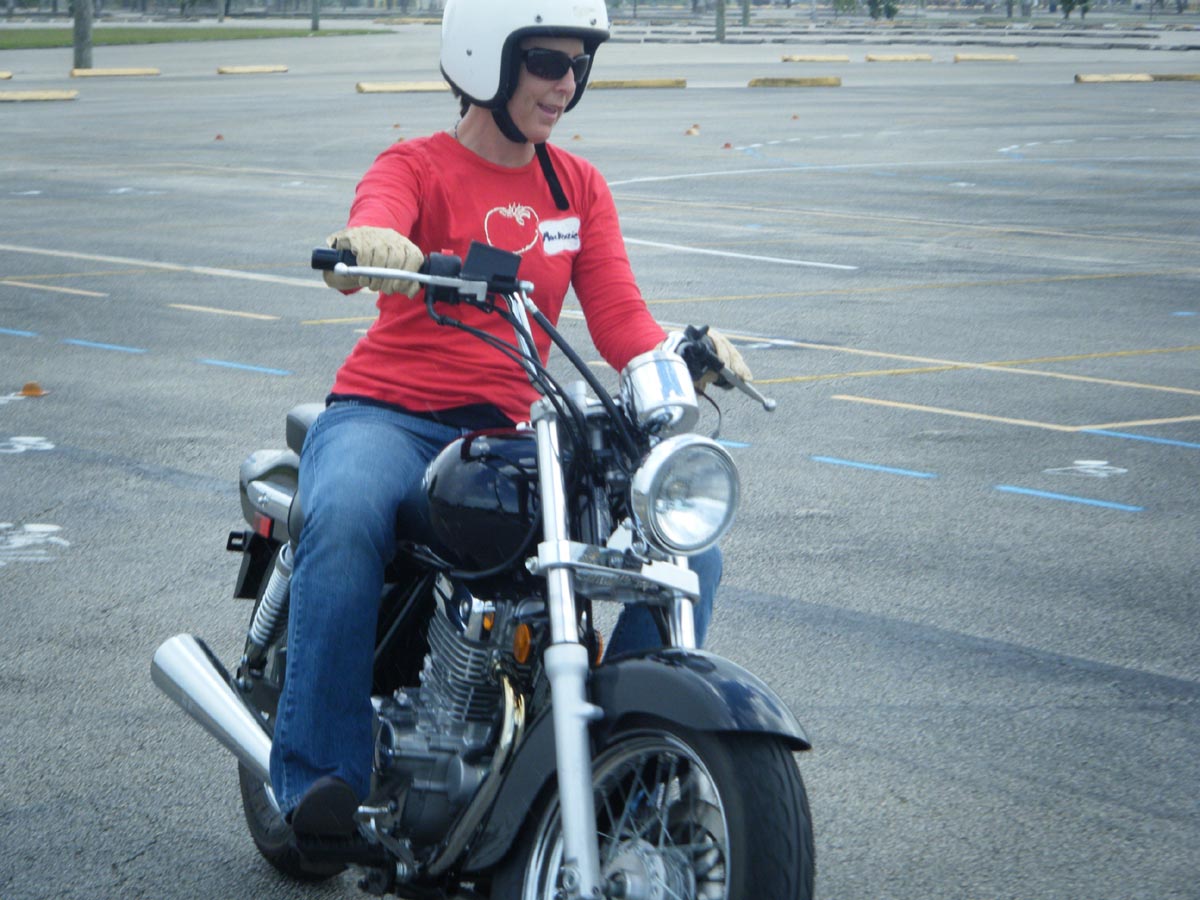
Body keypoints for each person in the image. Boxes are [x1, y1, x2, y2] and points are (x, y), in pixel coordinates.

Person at [269, 0, 753, 838]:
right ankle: (321, 779)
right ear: (485, 58)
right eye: (546, 63)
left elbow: (619, 319)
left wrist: (680, 355)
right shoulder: (416, 164)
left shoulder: (577, 187)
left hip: (514, 433)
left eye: (577, 67)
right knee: (344, 515)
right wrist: (372, 247)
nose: (565, 85)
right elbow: (370, 227)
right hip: (389, 415)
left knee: (684, 554)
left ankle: (619, 764)